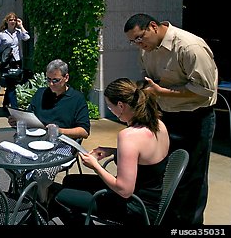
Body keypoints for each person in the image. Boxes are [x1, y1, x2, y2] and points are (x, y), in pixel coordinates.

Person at [123, 13, 217, 225]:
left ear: (153, 27)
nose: (138, 44)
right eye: (132, 41)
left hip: (195, 118)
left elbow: (204, 91)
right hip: (166, 116)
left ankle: (190, 226)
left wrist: (162, 92)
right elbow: (150, 80)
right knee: (166, 172)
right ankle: (168, 219)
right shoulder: (146, 50)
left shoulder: (189, 47)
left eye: (139, 38)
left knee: (192, 178)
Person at [53, 77, 170, 225]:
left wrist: (95, 165)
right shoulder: (158, 124)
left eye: (109, 107)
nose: (110, 110)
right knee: (71, 180)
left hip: (136, 207)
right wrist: (113, 151)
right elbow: (145, 157)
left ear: (121, 105)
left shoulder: (129, 136)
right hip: (152, 197)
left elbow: (124, 190)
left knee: (61, 196)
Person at [7, 59, 90, 203]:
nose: (51, 84)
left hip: (63, 144)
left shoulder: (77, 99)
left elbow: (84, 131)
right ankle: (24, 194)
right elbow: (29, 116)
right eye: (48, 80)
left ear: (66, 78)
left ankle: (41, 203)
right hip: (35, 141)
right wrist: (18, 121)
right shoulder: (40, 93)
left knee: (42, 173)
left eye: (56, 80)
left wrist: (60, 131)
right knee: (8, 160)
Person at [0, 12, 30, 110]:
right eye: (10, 20)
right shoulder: (2, 34)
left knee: (12, 84)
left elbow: (27, 37)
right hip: (6, 62)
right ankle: (14, 107)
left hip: (16, 61)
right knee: (11, 85)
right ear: (7, 21)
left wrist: (21, 26)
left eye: (14, 20)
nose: (12, 22)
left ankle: (5, 105)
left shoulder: (18, 32)